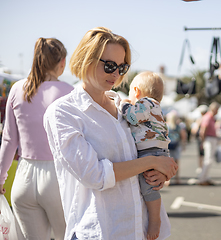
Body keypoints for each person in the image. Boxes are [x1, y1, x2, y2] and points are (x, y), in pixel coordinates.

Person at [43, 27, 178, 240]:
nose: (116, 74)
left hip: (140, 228)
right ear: (86, 59)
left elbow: (146, 148)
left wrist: (160, 171)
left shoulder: (123, 105)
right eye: (109, 65)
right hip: (101, 229)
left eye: (122, 67)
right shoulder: (63, 112)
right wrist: (152, 162)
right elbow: (95, 175)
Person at [0, 37, 73, 240]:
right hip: (58, 178)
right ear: (62, 62)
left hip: (23, 178)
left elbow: (8, 140)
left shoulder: (17, 89)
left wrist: (0, 177)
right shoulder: (69, 92)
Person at [120, 71, 170, 240]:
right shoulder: (155, 106)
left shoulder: (146, 103)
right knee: (150, 183)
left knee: (148, 186)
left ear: (136, 91)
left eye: (130, 95)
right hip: (158, 149)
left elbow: (133, 117)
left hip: (151, 150)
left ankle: (155, 219)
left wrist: (124, 105)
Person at [197, 101, 220, 186]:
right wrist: (203, 142)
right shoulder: (208, 117)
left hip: (210, 139)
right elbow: (203, 130)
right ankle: (202, 178)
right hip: (209, 139)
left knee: (209, 159)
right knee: (208, 160)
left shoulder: (211, 117)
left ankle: (205, 177)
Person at [166, 111, 187, 185]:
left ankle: (168, 180)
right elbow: (183, 135)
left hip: (168, 146)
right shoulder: (178, 126)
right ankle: (177, 178)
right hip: (176, 145)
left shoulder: (166, 126)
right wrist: (184, 145)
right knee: (176, 163)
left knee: (168, 163)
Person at [191, 105, 208, 173]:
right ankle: (202, 167)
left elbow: (194, 130)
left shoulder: (200, 119)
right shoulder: (201, 119)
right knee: (203, 154)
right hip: (203, 138)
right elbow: (195, 130)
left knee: (202, 154)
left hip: (202, 138)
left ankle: (201, 167)